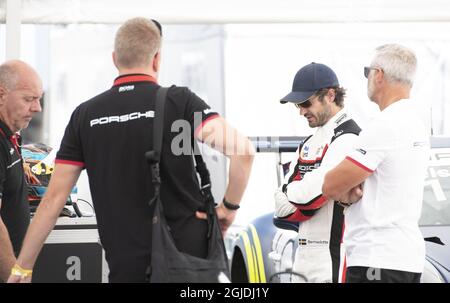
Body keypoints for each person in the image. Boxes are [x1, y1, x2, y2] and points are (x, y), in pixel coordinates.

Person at [8, 17, 254, 283]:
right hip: (186, 263)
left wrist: (22, 268)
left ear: (115, 59)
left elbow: (53, 200)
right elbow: (243, 151)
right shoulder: (179, 102)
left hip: (126, 268)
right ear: (157, 59)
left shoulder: (86, 116)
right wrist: (228, 208)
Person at [323, 44, 429, 283]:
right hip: (405, 256)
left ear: (378, 75)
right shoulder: (416, 123)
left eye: (366, 72)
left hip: (376, 258)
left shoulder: (386, 124)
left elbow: (329, 185)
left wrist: (344, 195)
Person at [274, 62, 361, 283]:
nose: (302, 111)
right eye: (297, 105)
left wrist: (297, 192)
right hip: (302, 253)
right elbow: (281, 208)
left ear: (330, 95)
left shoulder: (349, 137)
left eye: (305, 103)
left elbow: (312, 195)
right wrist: (302, 193)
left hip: (333, 255)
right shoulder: (308, 142)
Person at [0, 60, 43, 282]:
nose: (37, 108)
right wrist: (14, 275)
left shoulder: (10, 134)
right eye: (29, 99)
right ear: (1, 94)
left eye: (38, 99)